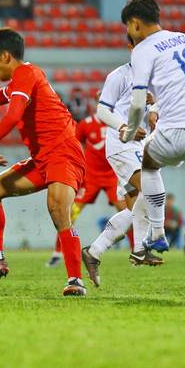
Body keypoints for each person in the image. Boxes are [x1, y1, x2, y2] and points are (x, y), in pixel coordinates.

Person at [0, 29, 88, 296]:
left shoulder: (27, 74)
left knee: (57, 209)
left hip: (64, 152)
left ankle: (76, 280)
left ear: (6, 55)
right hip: (43, 158)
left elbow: (14, 115)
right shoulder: (19, 80)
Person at [119, 0, 185, 295]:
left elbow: (138, 101)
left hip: (175, 128)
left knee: (149, 164)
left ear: (135, 24)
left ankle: (157, 231)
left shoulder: (142, 49)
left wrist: (130, 130)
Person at [81, 40, 164, 288]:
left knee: (134, 206)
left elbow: (160, 105)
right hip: (121, 145)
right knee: (149, 191)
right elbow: (102, 112)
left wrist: (155, 107)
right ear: (132, 49)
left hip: (141, 146)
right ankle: (140, 248)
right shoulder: (118, 75)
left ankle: (94, 251)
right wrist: (125, 127)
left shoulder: (154, 77)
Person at [47, 92, 126, 268]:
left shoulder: (120, 123)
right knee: (70, 213)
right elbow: (75, 145)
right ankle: (58, 252)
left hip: (112, 175)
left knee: (126, 212)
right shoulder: (85, 125)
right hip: (90, 176)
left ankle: (137, 250)